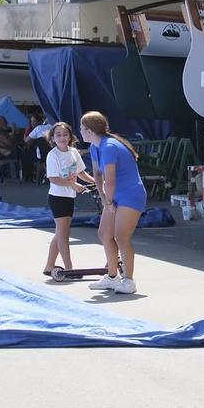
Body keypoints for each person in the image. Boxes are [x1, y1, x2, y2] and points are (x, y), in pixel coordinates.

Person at [81, 111, 146, 295]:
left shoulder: (109, 146)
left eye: (81, 128)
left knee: (121, 237)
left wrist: (108, 202)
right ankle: (112, 277)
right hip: (114, 196)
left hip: (130, 196)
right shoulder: (95, 147)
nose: (79, 131)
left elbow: (110, 180)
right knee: (104, 234)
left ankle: (129, 281)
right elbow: (98, 175)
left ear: (89, 130)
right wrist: (104, 200)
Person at [42, 122, 95, 276]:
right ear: (52, 138)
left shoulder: (73, 152)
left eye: (65, 134)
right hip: (57, 198)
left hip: (69, 197)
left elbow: (82, 173)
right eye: (58, 135)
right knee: (63, 234)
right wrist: (74, 185)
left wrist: (97, 182)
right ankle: (70, 268)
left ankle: (49, 266)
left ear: (70, 136)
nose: (62, 138)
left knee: (60, 232)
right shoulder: (53, 155)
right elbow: (53, 178)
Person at [24, 111, 54, 183]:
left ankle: (36, 176)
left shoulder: (38, 128)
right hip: (53, 152)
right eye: (31, 121)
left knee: (29, 155)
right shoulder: (53, 127)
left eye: (34, 121)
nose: (32, 123)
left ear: (40, 121)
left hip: (42, 155)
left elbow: (26, 140)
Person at [0, 115, 23, 180]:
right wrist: (13, 132)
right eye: (4, 123)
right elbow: (9, 143)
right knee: (27, 155)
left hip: (7, 151)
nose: (6, 124)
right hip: (7, 153)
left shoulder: (1, 131)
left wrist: (14, 132)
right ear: (0, 123)